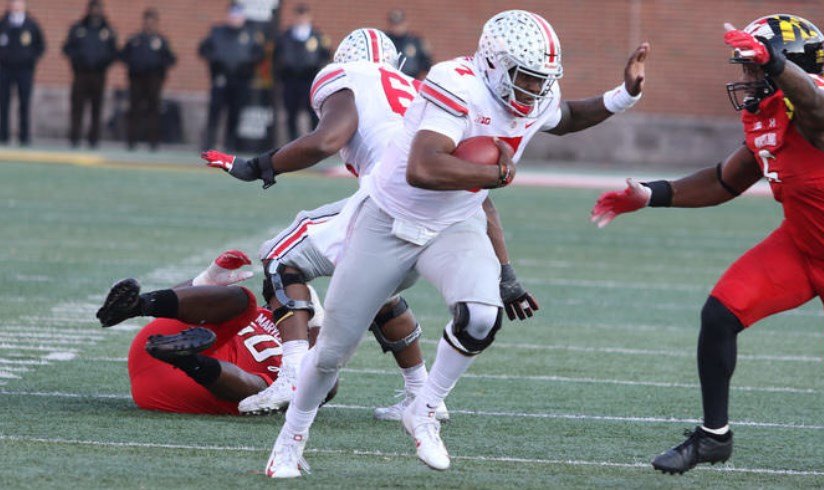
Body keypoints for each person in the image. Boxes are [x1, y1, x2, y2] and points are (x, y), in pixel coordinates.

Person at [262, 9, 649, 477]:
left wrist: (624, 95)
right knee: (331, 353)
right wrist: (494, 174)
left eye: (541, 80)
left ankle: (423, 409)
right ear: (493, 64)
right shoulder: (457, 82)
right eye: (525, 79)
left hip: (454, 223)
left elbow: (563, 116)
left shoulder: (537, 92)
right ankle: (290, 441)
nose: (534, 90)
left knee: (481, 315)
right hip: (388, 220)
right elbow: (422, 169)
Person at [591, 14, 824, 489]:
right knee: (719, 314)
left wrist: (773, 64)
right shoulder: (764, 114)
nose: (746, 79)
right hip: (800, 245)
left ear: (783, 67)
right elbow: (724, 180)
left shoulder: (822, 114)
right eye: (748, 68)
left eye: (755, 70)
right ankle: (715, 435)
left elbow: (819, 108)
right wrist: (650, 195)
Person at [203, 28, 540, 418]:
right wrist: (507, 274)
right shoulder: (420, 88)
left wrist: (257, 166)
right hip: (440, 212)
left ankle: (293, 373)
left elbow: (327, 140)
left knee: (281, 257)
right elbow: (479, 198)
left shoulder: (346, 75)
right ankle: (422, 395)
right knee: (378, 285)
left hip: (391, 202)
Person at [94, 250, 337, 415]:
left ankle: (187, 359)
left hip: (189, 383)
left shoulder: (301, 363)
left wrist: (317, 321)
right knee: (242, 299)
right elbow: (180, 314)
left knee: (265, 388)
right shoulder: (261, 314)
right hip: (157, 346)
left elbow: (325, 371)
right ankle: (138, 306)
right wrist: (204, 282)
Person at [198, 4, 264, 151]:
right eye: (233, 15)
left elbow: (259, 55)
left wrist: (246, 65)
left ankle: (230, 144)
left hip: (240, 81)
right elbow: (203, 49)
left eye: (238, 15)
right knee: (215, 112)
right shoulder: (217, 32)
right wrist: (215, 61)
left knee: (235, 114)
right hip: (220, 79)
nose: (235, 19)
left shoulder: (251, 34)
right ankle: (209, 143)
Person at [62, 0, 117, 148]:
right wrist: (78, 61)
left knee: (96, 108)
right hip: (80, 75)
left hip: (99, 75)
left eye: (98, 8)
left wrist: (102, 63)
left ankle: (93, 140)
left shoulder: (107, 30)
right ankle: (74, 138)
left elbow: (114, 52)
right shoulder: (78, 28)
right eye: (93, 8)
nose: (96, 11)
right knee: (77, 107)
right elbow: (67, 48)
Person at [119, 8, 176, 151]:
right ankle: (131, 141)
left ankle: (153, 142)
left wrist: (159, 68)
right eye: (147, 21)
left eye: (152, 22)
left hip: (154, 80)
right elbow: (123, 55)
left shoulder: (161, 41)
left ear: (156, 23)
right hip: (136, 80)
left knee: (153, 111)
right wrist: (133, 65)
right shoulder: (135, 39)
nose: (149, 25)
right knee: (134, 110)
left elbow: (170, 58)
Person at [274, 3, 331, 140]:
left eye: (304, 16)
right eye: (299, 16)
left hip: (310, 81)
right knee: (291, 113)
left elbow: (325, 56)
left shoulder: (317, 37)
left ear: (309, 17)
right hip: (290, 80)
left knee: (313, 114)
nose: (301, 19)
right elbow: (277, 57)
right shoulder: (285, 36)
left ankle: (315, 142)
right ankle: (291, 143)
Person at [0, 0, 44, 146]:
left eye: (19, 4)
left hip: (24, 70)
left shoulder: (31, 25)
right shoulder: (3, 24)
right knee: (3, 103)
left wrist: (30, 59)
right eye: (13, 4)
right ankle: (3, 136)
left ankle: (24, 137)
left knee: (24, 103)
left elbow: (40, 46)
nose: (16, 7)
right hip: (4, 70)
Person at [385, 8, 432, 80]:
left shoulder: (415, 41)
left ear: (405, 23)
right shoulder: (385, 40)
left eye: (399, 24)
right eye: (394, 24)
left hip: (411, 80)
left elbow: (426, 64)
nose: (397, 28)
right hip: (389, 80)